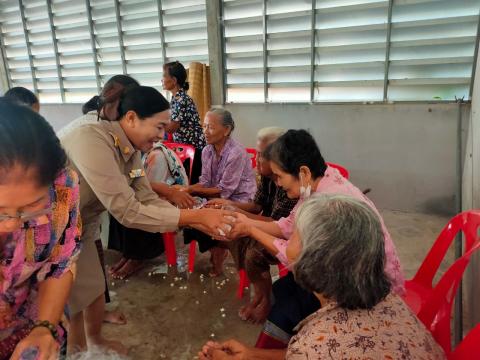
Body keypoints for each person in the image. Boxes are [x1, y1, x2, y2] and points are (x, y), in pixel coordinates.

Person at [60, 86, 234, 355]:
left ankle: (92, 343)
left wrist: (196, 220)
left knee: (92, 286)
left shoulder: (130, 147)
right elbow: (127, 210)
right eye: (159, 126)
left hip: (82, 226)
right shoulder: (92, 138)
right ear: (130, 118)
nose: (163, 135)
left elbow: (144, 195)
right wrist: (195, 216)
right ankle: (77, 351)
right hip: (53, 229)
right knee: (71, 302)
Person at [199, 194, 445, 360]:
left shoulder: (317, 343)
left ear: (314, 262)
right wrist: (253, 355)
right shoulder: (387, 300)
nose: (286, 242)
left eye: (294, 236)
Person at [226, 129, 404, 348]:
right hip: (346, 274)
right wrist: (244, 222)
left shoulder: (328, 202)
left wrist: (250, 229)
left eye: (280, 176)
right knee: (282, 288)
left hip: (365, 289)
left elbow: (295, 256)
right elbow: (288, 225)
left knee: (284, 310)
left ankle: (282, 341)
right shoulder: (317, 184)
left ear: (303, 172)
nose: (278, 184)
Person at [0, 99, 81, 359]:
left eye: (32, 205)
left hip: (32, 316)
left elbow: (60, 261)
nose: (12, 223)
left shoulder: (61, 187)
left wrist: (44, 327)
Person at [207, 127, 298, 323]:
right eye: (257, 152)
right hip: (272, 225)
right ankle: (260, 291)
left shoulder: (290, 182)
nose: (255, 159)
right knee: (231, 234)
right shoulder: (267, 176)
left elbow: (280, 226)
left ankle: (265, 299)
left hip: (290, 235)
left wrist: (238, 214)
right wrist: (230, 205)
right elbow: (257, 206)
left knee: (252, 254)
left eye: (261, 155)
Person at [183, 108, 257, 277]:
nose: (205, 132)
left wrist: (191, 189)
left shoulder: (236, 152)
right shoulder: (207, 150)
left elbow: (225, 190)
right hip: (217, 197)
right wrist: (187, 190)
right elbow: (205, 181)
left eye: (210, 127)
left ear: (227, 130)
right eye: (204, 126)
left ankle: (220, 248)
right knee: (190, 212)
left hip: (240, 200)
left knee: (208, 216)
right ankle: (217, 247)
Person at [108, 141, 193, 279]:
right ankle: (128, 253)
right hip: (152, 193)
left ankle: (137, 257)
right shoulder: (136, 153)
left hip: (167, 199)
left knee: (136, 207)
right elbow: (134, 176)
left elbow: (147, 187)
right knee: (118, 204)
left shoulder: (156, 156)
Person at [163, 61, 206, 184]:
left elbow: (172, 127)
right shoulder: (176, 98)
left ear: (174, 80)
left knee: (191, 183)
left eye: (165, 76)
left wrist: (155, 126)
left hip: (193, 149)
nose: (162, 79)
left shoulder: (181, 99)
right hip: (186, 147)